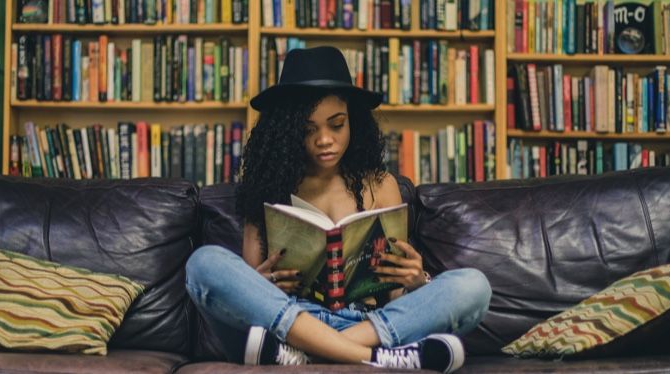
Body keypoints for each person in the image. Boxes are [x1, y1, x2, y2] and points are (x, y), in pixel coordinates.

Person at [185, 46, 492, 373]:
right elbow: (249, 293)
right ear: (287, 132)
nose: (324, 140)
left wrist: (417, 281)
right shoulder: (266, 188)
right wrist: (261, 283)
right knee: (203, 264)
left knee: (474, 286)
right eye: (308, 129)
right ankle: (376, 358)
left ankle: (313, 353)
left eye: (336, 124)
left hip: (367, 322)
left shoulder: (381, 185)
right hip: (290, 319)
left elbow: (395, 296)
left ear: (353, 122)